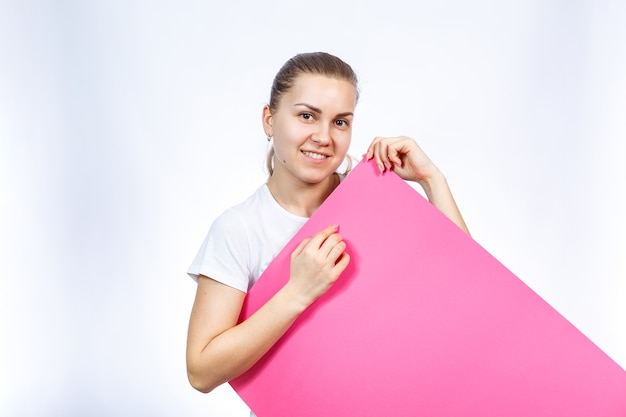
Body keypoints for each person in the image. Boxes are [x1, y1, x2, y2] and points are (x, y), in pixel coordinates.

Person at [185, 52, 470, 412]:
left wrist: (432, 180)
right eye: (307, 116)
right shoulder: (239, 229)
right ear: (269, 120)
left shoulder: (371, 195)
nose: (324, 137)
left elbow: (469, 286)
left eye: (340, 122)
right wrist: (298, 293)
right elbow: (201, 372)